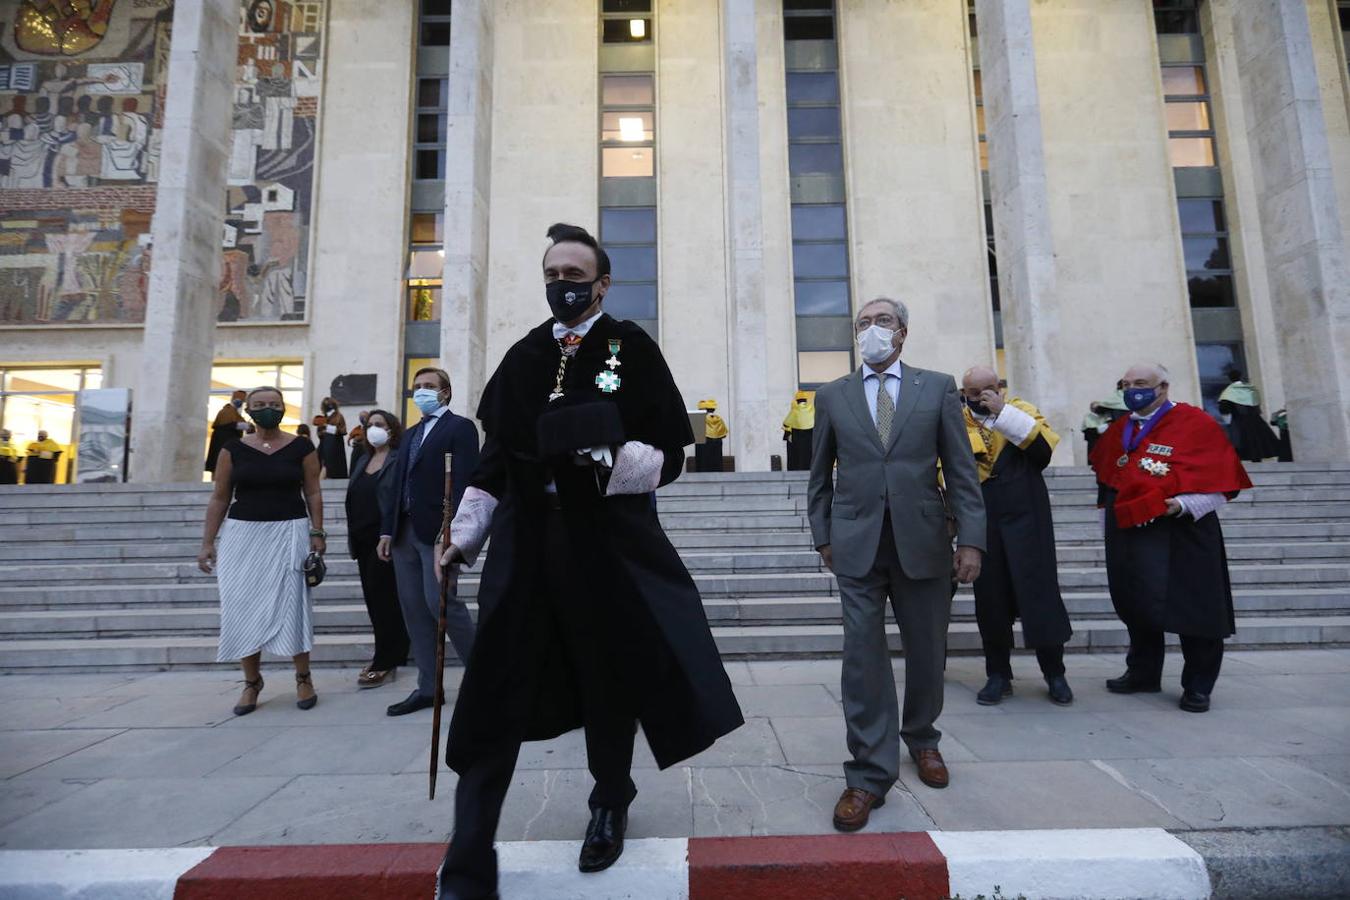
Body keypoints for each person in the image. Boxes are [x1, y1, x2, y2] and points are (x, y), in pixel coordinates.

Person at [432, 223, 743, 898]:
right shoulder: (521, 358)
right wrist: (463, 535)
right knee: (495, 687)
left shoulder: (631, 349)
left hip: (602, 547)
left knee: (609, 680)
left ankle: (610, 797)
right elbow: (494, 464)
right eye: (552, 274)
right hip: (524, 549)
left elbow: (669, 455)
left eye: (574, 275)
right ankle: (467, 858)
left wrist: (597, 467)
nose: (562, 286)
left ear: (602, 283)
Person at [808, 297, 984, 832]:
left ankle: (923, 739)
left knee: (927, 650)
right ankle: (867, 773)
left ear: (903, 332)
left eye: (882, 321)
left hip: (925, 540)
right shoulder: (833, 395)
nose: (871, 330)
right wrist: (822, 536)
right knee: (862, 657)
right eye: (863, 323)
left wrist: (971, 539)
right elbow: (819, 472)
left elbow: (960, 468)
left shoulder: (936, 387)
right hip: (857, 544)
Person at [1090, 363, 1252, 713]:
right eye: (1127, 384)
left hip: (1185, 532)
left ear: (1163, 387)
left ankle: (1198, 685)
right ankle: (1142, 672)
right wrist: (1106, 526)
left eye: (1141, 384)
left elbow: (1224, 485)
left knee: (1195, 608)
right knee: (1137, 604)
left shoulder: (1196, 424)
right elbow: (1106, 482)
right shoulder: (1119, 430)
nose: (1133, 390)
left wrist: (1181, 505)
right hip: (1131, 535)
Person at [197, 386, 326, 716]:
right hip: (242, 535)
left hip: (289, 530)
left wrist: (317, 531)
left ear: (284, 408)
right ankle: (252, 682)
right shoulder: (231, 449)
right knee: (241, 606)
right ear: (248, 410)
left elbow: (312, 492)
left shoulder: (302, 446)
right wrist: (208, 542)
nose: (267, 409)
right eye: (259, 405)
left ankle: (303, 677)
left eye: (274, 404)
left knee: (293, 605)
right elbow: (220, 497)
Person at [960, 366, 1073, 706]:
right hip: (984, 517)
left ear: (1000, 388)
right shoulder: (957, 422)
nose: (983, 397)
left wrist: (1001, 413)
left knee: (1040, 593)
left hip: (1028, 516)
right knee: (990, 599)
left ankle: (1055, 673)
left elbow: (1042, 452)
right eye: (975, 392)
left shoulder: (1021, 412)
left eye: (990, 389)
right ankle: (998, 674)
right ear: (964, 394)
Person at [376, 367, 480, 716]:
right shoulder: (409, 435)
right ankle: (427, 688)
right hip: (404, 532)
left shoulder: (460, 428)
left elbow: (466, 484)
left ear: (445, 392)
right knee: (415, 612)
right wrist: (387, 530)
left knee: (442, 605)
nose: (421, 391)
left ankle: (486, 678)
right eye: (417, 387)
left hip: (437, 535)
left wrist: (449, 533)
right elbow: (398, 482)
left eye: (429, 387)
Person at [345, 410, 409, 688]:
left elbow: (398, 498)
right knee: (373, 598)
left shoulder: (398, 459)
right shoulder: (362, 459)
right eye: (370, 425)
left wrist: (389, 531)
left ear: (392, 430)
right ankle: (389, 651)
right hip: (361, 538)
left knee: (385, 600)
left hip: (385, 539)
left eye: (379, 425)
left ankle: (386, 659)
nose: (373, 429)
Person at [1217, 368, 1281, 463]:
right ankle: (1257, 460)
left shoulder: (1228, 392)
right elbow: (1256, 405)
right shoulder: (1250, 389)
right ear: (1240, 377)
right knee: (1257, 441)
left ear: (1230, 379)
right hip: (1255, 420)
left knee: (1239, 441)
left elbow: (1224, 409)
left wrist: (1227, 420)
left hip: (1239, 420)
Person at [206, 390, 247, 473]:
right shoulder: (225, 411)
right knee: (218, 466)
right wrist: (244, 426)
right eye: (239, 400)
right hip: (221, 442)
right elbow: (228, 424)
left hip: (230, 443)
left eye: (242, 401)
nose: (240, 403)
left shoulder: (235, 413)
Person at [1081, 389, 1128, 456]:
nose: (1095, 410)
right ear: (1091, 409)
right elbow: (1086, 431)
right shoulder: (1088, 417)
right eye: (1093, 408)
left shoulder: (1106, 416)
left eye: (1096, 408)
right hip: (1093, 440)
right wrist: (1098, 429)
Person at [316, 396, 349, 479]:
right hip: (324, 443)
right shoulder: (324, 417)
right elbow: (319, 432)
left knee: (330, 465)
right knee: (321, 462)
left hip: (335, 444)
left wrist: (327, 427)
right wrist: (321, 431)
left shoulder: (338, 416)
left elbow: (343, 431)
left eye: (329, 404)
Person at [783, 390, 815, 471]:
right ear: (806, 400)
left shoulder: (794, 410)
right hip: (809, 440)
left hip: (797, 440)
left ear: (797, 400)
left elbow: (786, 424)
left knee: (796, 457)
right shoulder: (812, 410)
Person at [694, 398, 727, 473]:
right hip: (716, 443)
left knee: (703, 462)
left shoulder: (700, 419)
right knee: (716, 460)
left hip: (704, 442)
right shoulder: (719, 419)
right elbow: (724, 433)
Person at [348, 411, 370, 475]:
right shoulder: (358, 428)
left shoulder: (371, 428)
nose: (362, 418)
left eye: (364, 417)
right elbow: (351, 437)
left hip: (366, 450)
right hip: (357, 449)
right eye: (361, 417)